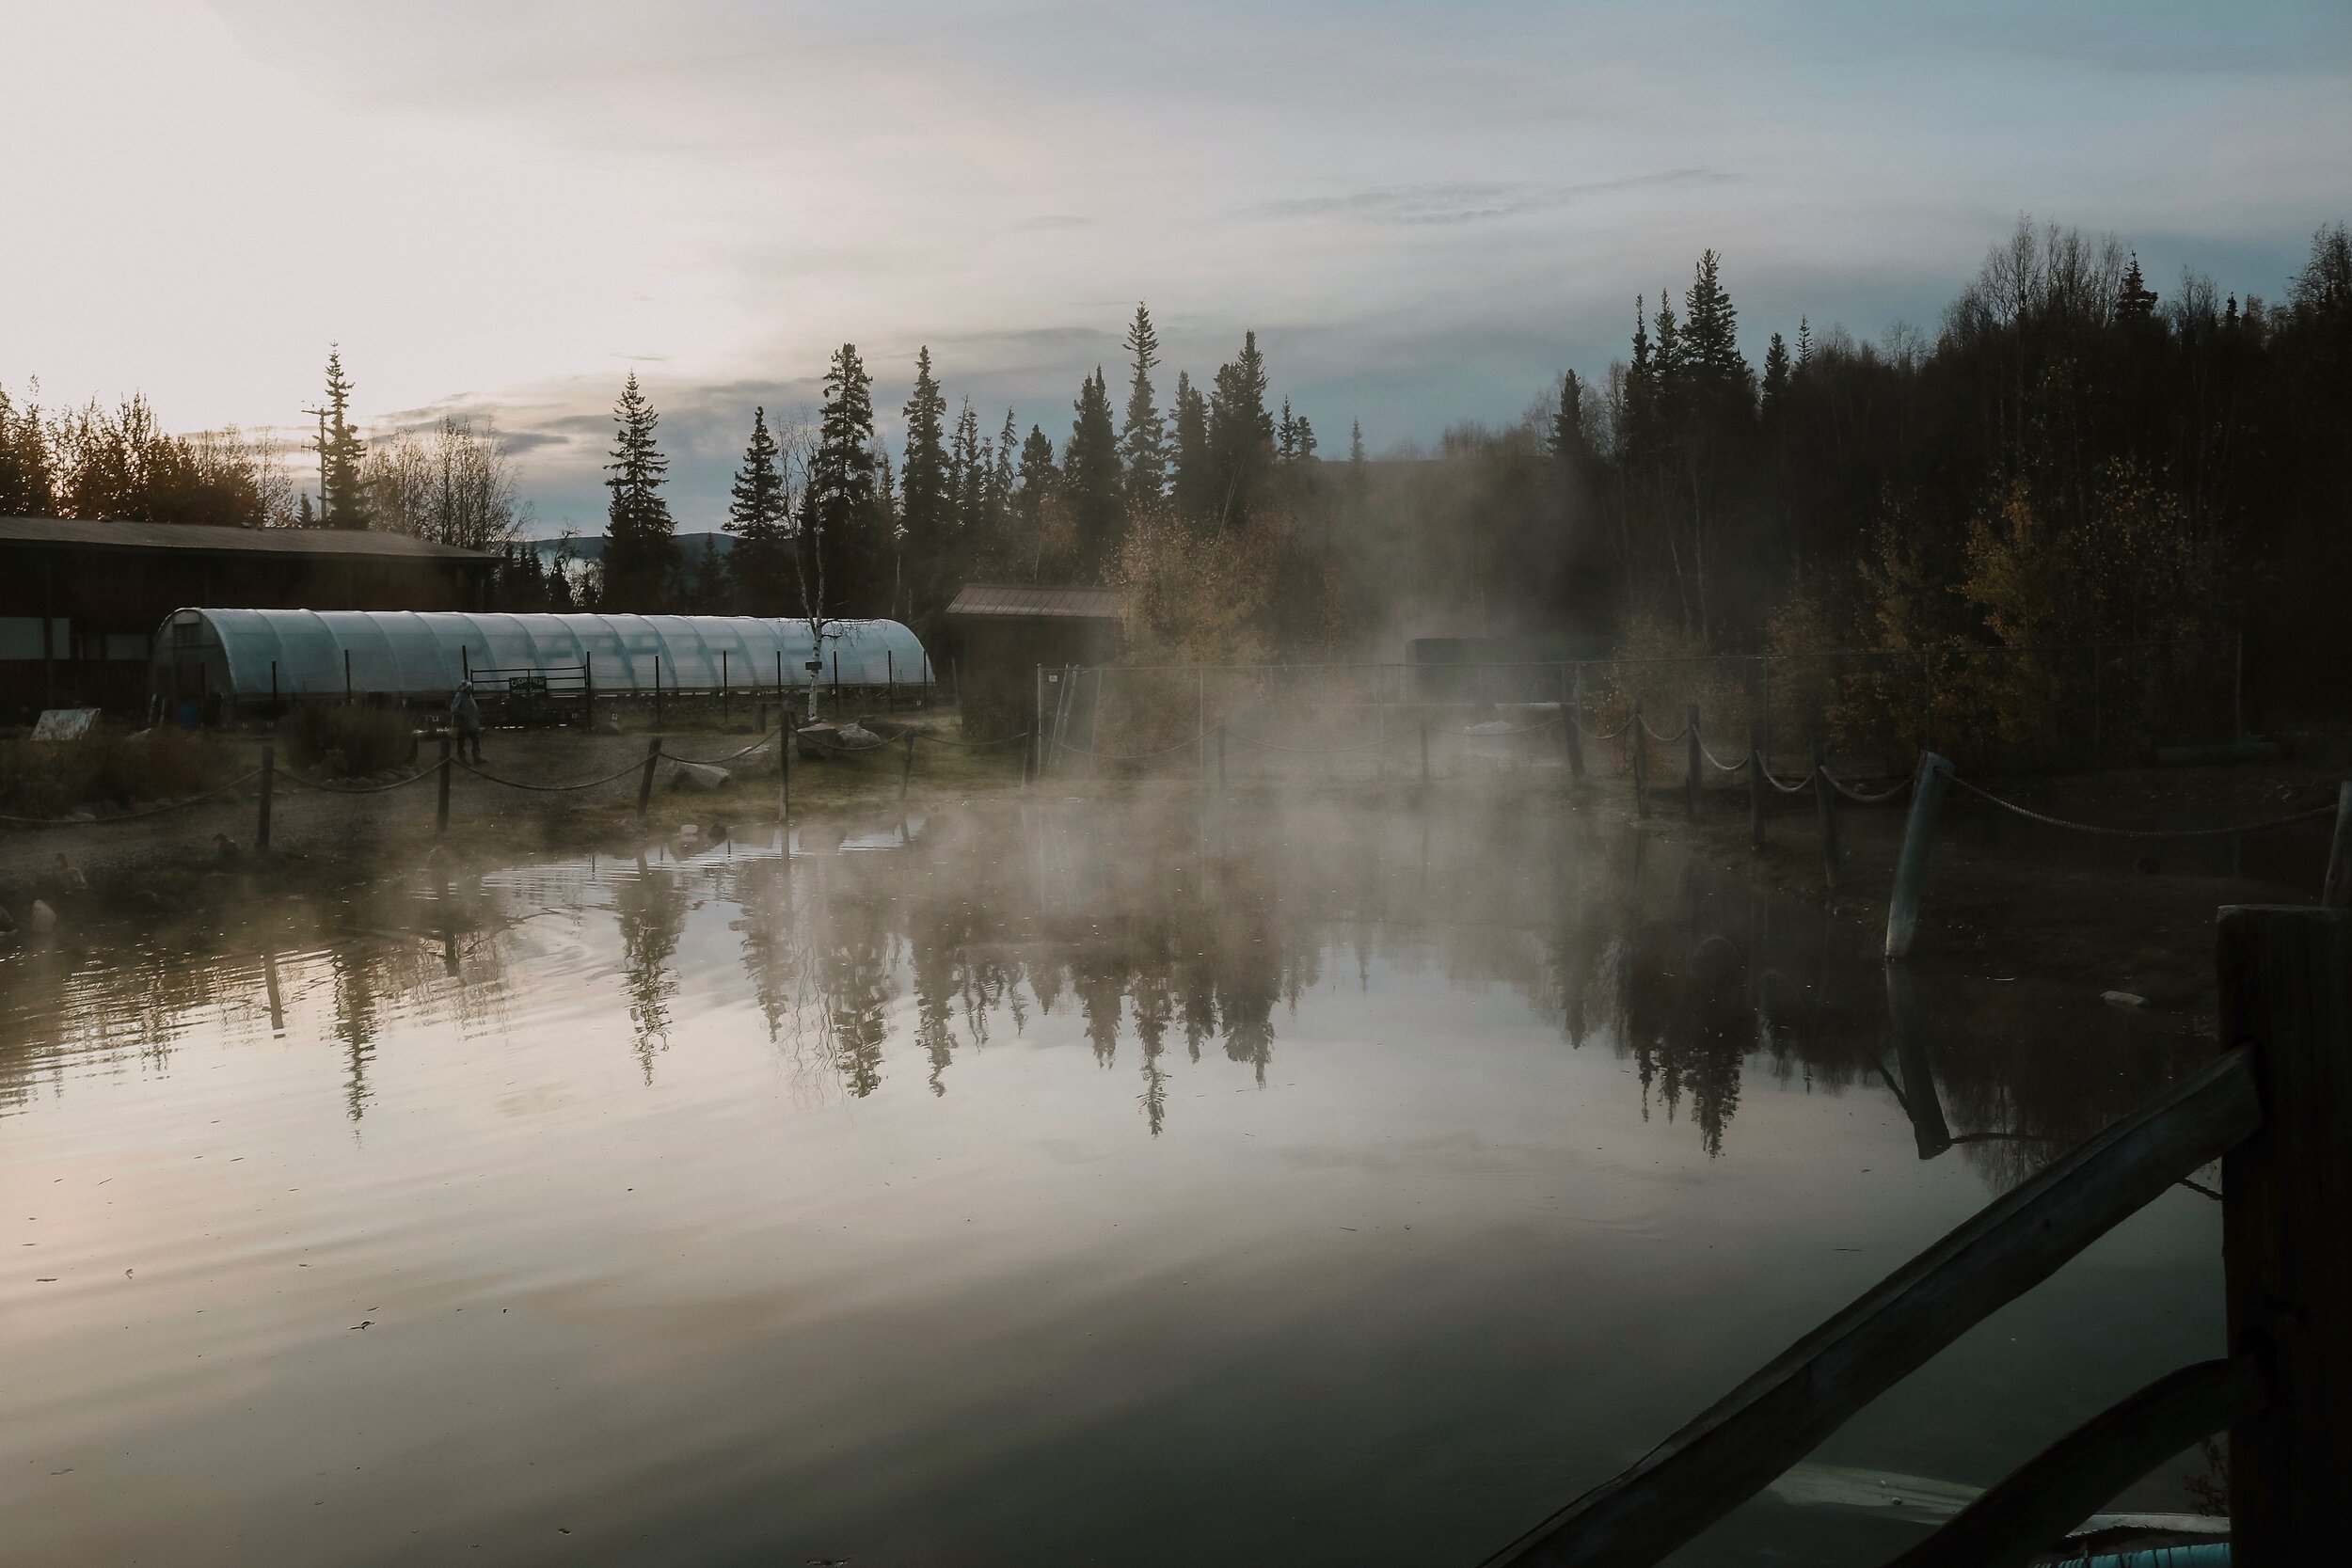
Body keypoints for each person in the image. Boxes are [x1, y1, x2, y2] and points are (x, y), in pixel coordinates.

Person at [450, 680, 485, 764]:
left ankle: (477, 757)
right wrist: (464, 714)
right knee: (461, 740)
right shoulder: (460, 696)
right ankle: (462, 758)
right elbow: (453, 709)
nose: (469, 689)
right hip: (462, 723)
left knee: (475, 739)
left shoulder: (469, 696)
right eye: (468, 688)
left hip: (470, 722)